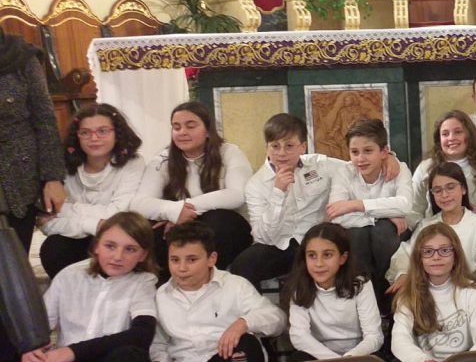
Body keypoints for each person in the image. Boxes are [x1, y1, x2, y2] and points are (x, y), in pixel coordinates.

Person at [19, 212, 158, 362]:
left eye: (130, 249)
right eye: (110, 246)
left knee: (130, 356)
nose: (118, 257)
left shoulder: (143, 282)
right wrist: (31, 349)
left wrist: (73, 351)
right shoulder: (69, 275)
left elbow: (142, 334)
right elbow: (39, 327)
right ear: (96, 246)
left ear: (143, 255)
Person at [151, 222, 287, 362]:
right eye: (175, 260)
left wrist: (243, 323)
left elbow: (278, 319)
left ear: (211, 259)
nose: (182, 268)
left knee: (245, 343)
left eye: (192, 260)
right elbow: (159, 343)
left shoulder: (235, 285)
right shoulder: (161, 296)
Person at [131, 102, 254, 277]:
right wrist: (174, 212)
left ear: (208, 130)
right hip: (182, 226)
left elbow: (237, 195)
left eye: (190, 126)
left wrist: (183, 209)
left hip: (229, 229)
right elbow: (139, 203)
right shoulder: (163, 159)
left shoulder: (229, 152)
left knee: (218, 220)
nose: (182, 132)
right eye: (176, 127)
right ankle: (169, 286)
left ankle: (210, 283)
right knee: (152, 231)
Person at [233, 113, 343, 289]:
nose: (281, 153)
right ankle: (254, 306)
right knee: (244, 263)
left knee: (356, 240)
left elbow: (357, 167)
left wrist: (387, 157)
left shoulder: (320, 165)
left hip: (319, 239)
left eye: (289, 146)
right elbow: (263, 237)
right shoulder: (256, 184)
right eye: (275, 146)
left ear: (303, 147)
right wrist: (278, 193)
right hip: (280, 246)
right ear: (267, 148)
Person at [38, 104, 146, 278]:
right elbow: (46, 222)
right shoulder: (61, 166)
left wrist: (66, 209)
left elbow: (118, 214)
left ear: (117, 133)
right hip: (76, 236)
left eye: (103, 131)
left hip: (118, 237)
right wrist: (95, 224)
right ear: (77, 136)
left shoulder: (133, 163)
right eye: (85, 132)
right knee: (54, 247)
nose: (94, 138)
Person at [386, 162, 476, 301]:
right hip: (430, 290)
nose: (445, 195)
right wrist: (403, 274)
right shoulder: (427, 225)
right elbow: (406, 253)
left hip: (465, 291)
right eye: (438, 190)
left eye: (450, 187)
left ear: (463, 189)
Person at [391, 222, 476, 362]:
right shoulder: (408, 296)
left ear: (456, 256)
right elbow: (399, 340)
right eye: (428, 252)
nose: (436, 257)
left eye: (445, 250)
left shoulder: (472, 292)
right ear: (419, 258)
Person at [327, 118, 412, 305]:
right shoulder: (344, 172)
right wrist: (385, 214)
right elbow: (336, 215)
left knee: (383, 232)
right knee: (358, 234)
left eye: (368, 151)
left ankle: (388, 298)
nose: (360, 158)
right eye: (354, 152)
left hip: (392, 236)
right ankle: (366, 300)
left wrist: (356, 205)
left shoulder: (400, 169)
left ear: (384, 152)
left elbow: (405, 204)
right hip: (360, 238)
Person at [0, 30, 64, 252]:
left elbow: (45, 120)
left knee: (14, 259)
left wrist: (53, 178)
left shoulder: (21, 56)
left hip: (19, 176)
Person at [283, 223, 383, 361]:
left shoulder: (361, 285)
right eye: (312, 255)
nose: (319, 263)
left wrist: (348, 359)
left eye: (327, 255)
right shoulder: (299, 288)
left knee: (376, 361)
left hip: (356, 356)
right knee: (298, 359)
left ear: (343, 258)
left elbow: (374, 336)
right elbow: (299, 336)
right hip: (320, 357)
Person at [409, 110, 476, 228]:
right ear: (439, 139)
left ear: (469, 135)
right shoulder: (425, 168)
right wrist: (426, 231)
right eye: (445, 134)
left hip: (475, 231)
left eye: (458, 132)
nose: (451, 138)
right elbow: (413, 210)